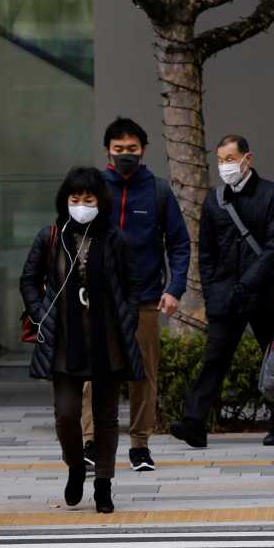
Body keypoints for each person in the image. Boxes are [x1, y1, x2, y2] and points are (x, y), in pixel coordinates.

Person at [21, 167, 145, 515]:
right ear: (65, 200)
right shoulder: (51, 236)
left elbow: (134, 285)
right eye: (75, 199)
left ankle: (103, 484)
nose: (81, 205)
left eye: (88, 199)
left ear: (100, 201)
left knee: (106, 417)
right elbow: (28, 279)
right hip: (64, 340)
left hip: (109, 339)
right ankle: (76, 466)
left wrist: (129, 318)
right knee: (66, 414)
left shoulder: (115, 239)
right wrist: (39, 313)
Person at [79, 117, 191, 472]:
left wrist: (174, 289)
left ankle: (139, 445)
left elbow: (179, 244)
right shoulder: (93, 190)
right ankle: (91, 440)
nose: (125, 155)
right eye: (118, 149)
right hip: (98, 298)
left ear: (143, 150)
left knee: (142, 374)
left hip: (144, 298)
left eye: (132, 149)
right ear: (107, 151)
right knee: (94, 375)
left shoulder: (157, 191)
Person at [170, 134, 274, 447]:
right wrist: (213, 292)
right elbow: (207, 251)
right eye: (221, 160)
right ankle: (194, 423)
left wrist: (249, 281)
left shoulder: (272, 194)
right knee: (215, 357)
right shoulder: (214, 199)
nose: (225, 166)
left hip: (264, 292)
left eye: (230, 159)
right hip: (226, 294)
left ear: (247, 159)